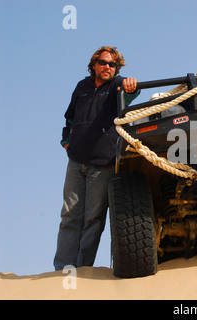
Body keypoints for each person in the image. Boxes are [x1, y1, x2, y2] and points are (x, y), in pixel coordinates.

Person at [54, 46, 140, 270]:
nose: (108, 67)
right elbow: (69, 118)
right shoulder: (81, 87)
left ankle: (82, 270)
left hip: (103, 162)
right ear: (94, 65)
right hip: (76, 160)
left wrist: (131, 88)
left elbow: (129, 94)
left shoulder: (117, 86)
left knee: (93, 219)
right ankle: (63, 269)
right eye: (103, 63)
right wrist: (66, 142)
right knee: (69, 216)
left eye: (112, 65)